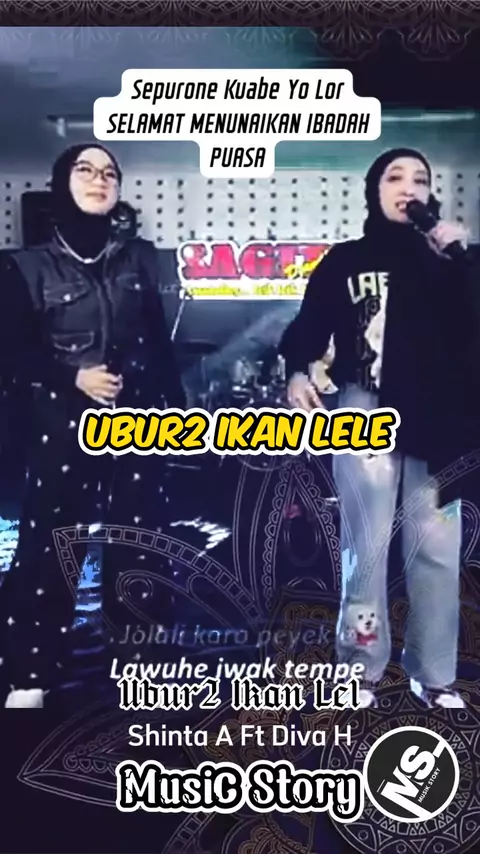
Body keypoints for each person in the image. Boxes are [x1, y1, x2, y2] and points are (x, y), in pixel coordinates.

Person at [280, 147, 480, 710]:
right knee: (364, 546)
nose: (409, 187)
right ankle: (359, 669)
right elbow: (309, 326)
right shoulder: (346, 260)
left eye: (421, 178)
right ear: (375, 189)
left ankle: (434, 674)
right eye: (395, 177)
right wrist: (297, 370)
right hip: (365, 407)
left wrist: (462, 261)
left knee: (437, 545)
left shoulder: (450, 260)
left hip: (439, 416)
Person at [0, 144, 186, 708]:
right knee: (49, 545)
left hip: (137, 425)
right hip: (60, 424)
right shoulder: (23, 266)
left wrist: (178, 417)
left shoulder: (139, 261)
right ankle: (31, 673)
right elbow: (10, 352)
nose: (99, 179)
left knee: (140, 541)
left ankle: (141, 665)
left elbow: (159, 347)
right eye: (86, 169)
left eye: (109, 173)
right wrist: (72, 377)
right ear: (63, 182)